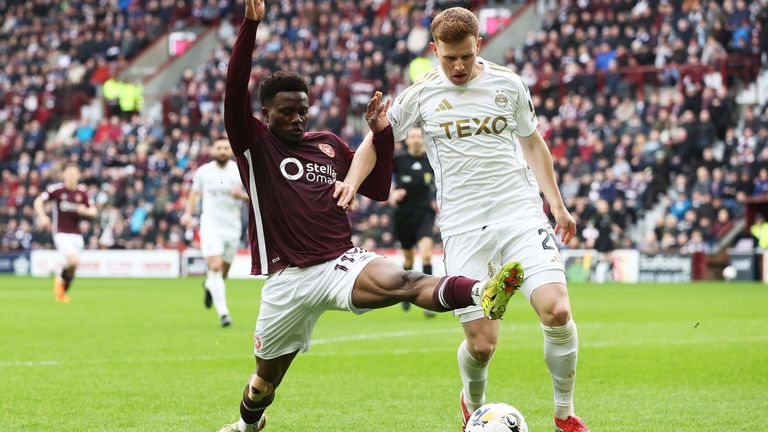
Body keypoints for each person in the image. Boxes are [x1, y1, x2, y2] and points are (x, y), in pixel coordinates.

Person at [218, 1, 523, 431]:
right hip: (286, 280)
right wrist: (250, 27)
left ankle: (484, 292)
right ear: (265, 114)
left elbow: (378, 188)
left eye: (302, 108)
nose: (297, 117)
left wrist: (382, 134)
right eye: (286, 111)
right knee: (263, 384)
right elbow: (234, 91)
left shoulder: (324, 144)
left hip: (339, 263)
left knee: (405, 281)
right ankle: (249, 425)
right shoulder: (255, 145)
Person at [338, 7, 589, 432]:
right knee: (482, 344)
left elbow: (533, 145)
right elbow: (374, 142)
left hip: (520, 214)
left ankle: (564, 414)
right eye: (449, 57)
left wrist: (557, 206)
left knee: (557, 311)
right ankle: (472, 406)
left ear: (479, 47)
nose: (458, 66)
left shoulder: (508, 86)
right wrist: (350, 182)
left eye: (467, 57)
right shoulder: (421, 94)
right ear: (435, 50)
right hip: (464, 228)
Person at [181, 138, 249, 327]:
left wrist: (241, 196)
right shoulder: (204, 171)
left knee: (222, 273)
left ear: (230, 150)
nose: (222, 150)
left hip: (233, 228)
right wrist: (188, 213)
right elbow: (195, 194)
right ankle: (224, 314)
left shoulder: (239, 170)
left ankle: (210, 285)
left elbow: (255, 196)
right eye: (219, 147)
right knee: (216, 266)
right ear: (212, 149)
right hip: (211, 227)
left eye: (226, 148)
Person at [390, 127, 437, 317]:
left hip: (425, 212)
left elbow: (442, 181)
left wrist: (438, 200)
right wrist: (392, 194)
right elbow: (385, 180)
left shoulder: (431, 160)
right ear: (407, 140)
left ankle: (430, 299)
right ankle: (406, 294)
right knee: (408, 259)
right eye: (413, 137)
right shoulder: (399, 160)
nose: (417, 140)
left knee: (426, 254)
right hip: (404, 215)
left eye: (420, 136)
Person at [33, 163, 97, 303]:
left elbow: (94, 211)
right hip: (61, 232)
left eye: (74, 174)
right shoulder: (56, 190)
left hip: (76, 234)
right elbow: (38, 201)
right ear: (64, 175)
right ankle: (60, 284)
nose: (71, 176)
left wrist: (84, 211)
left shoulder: (82, 192)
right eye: (69, 173)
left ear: (79, 176)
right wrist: (42, 216)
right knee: (72, 261)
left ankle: (62, 287)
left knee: (73, 267)